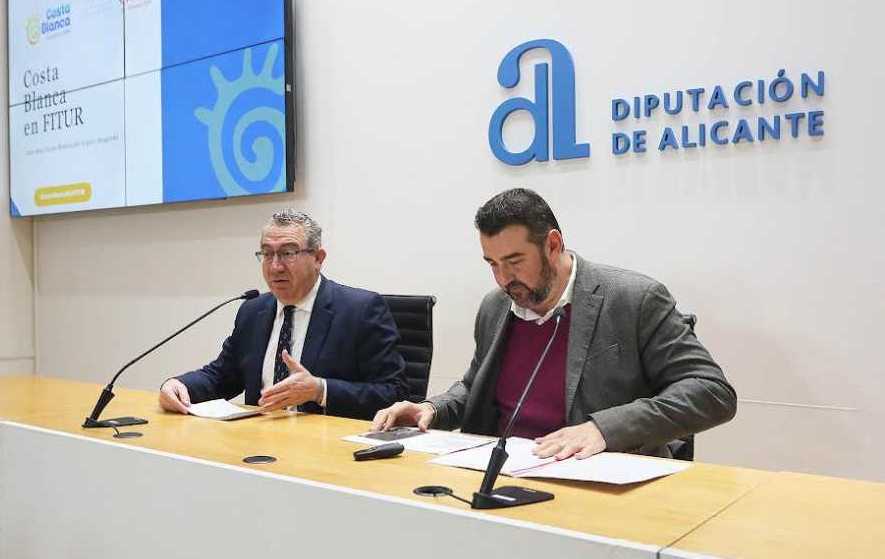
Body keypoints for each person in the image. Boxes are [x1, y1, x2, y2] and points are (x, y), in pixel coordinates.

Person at [371, 188, 736, 459]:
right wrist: (431, 409)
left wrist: (604, 428)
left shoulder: (634, 299)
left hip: (592, 478)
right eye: (493, 264)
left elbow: (711, 392)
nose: (504, 278)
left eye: (514, 261)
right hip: (499, 471)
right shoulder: (495, 307)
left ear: (553, 245)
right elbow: (474, 388)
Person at [160, 209, 408, 421]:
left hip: (326, 447)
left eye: (288, 253)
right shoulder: (253, 310)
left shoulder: (360, 310)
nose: (275, 266)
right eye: (267, 254)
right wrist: (180, 385)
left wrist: (320, 390)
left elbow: (394, 393)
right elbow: (223, 375)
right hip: (258, 445)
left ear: (318, 258)